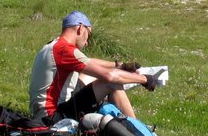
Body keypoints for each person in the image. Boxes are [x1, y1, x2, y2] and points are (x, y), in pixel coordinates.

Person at [28, 10, 156, 125]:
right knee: (111, 83)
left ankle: (126, 123)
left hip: (41, 112)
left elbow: (90, 62)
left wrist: (119, 66)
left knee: (90, 75)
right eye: (88, 35)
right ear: (80, 28)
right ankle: (138, 129)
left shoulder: (53, 45)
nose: (87, 42)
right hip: (53, 117)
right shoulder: (65, 50)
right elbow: (109, 76)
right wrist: (144, 79)